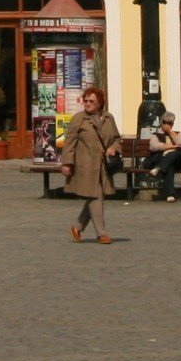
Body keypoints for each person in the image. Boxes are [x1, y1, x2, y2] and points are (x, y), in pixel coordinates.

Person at [62, 84, 123, 244]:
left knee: (94, 197)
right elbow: (69, 142)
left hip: (103, 166)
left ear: (100, 103)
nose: (87, 104)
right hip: (85, 165)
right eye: (85, 100)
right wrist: (67, 163)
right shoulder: (79, 119)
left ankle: (78, 227)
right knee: (96, 196)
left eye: (91, 101)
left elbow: (117, 138)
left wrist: (113, 147)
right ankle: (101, 234)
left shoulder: (109, 118)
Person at [142, 110, 181, 199]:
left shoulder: (178, 134)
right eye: (164, 122)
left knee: (174, 154)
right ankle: (170, 194)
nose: (166, 125)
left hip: (178, 160)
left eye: (169, 123)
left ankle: (159, 168)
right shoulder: (156, 135)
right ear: (161, 123)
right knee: (170, 165)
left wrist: (170, 132)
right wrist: (171, 146)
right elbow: (154, 146)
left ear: (172, 124)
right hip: (163, 159)